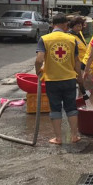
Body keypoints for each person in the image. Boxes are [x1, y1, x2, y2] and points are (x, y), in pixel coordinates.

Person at [34, 13, 82, 145]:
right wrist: (80, 77)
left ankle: (58, 138)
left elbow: (39, 59)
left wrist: (38, 71)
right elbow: (77, 61)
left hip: (52, 80)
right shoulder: (72, 39)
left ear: (53, 24)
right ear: (64, 24)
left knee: (55, 108)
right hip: (69, 79)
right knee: (71, 107)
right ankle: (74, 136)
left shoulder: (45, 39)